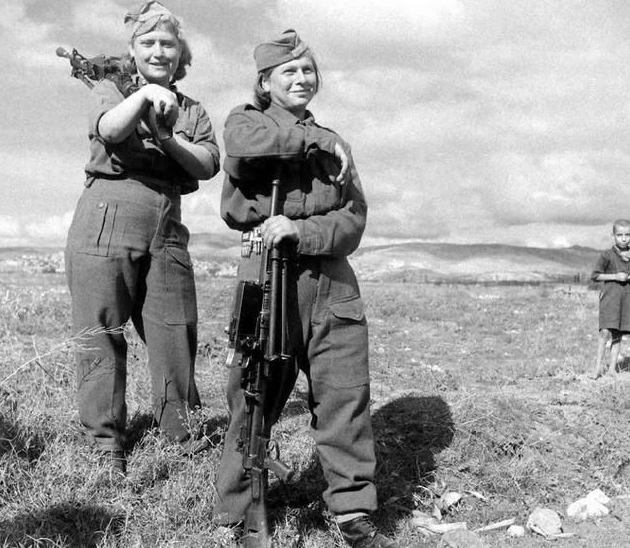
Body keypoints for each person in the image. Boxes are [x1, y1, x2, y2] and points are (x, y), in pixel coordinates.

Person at [214, 29, 398, 548]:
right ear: (264, 82)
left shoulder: (337, 144)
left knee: (345, 398)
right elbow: (241, 150)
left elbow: (353, 219)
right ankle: (236, 512)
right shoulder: (246, 122)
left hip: (332, 283)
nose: (301, 78)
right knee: (252, 397)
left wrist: (302, 230)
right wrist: (311, 141)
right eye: (288, 71)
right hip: (266, 277)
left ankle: (353, 511)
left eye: (308, 69)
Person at [64, 1, 220, 473]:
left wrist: (168, 137)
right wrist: (145, 97)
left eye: (167, 43)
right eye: (147, 42)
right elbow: (111, 130)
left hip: (167, 225)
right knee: (100, 332)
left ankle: (181, 434)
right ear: (132, 50)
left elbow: (208, 164)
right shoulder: (111, 90)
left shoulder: (193, 110)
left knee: (176, 331)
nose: (158, 51)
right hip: (106, 215)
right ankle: (105, 444)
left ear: (180, 53)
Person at [590, 219, 630, 379]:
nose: (624, 238)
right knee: (604, 332)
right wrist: (615, 276)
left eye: (627, 235)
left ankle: (612, 369)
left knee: (618, 333)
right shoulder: (607, 255)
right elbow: (595, 275)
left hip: (626, 300)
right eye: (620, 235)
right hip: (610, 298)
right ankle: (597, 369)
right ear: (613, 235)